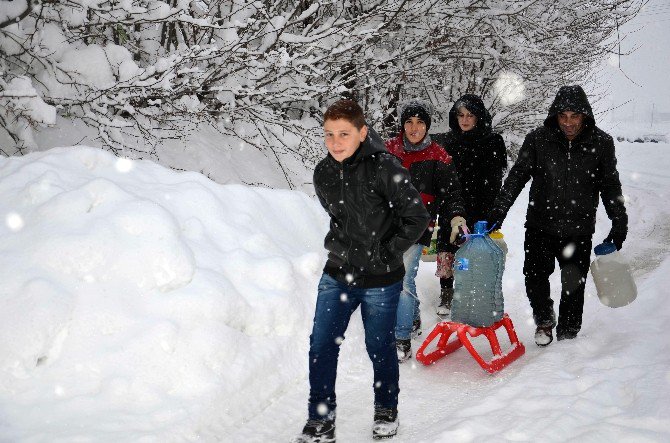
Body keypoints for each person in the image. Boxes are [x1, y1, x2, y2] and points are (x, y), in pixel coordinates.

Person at [293, 99, 430, 443]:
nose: (335, 142)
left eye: (344, 134)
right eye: (329, 135)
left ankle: (386, 409)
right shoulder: (323, 172)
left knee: (379, 346)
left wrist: (387, 253)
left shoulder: (385, 167)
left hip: (381, 279)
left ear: (362, 132)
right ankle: (321, 420)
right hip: (339, 271)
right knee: (321, 345)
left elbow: (417, 219)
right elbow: (337, 216)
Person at [487, 85, 628, 346]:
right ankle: (544, 319)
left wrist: (619, 223)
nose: (568, 123)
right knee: (535, 276)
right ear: (555, 116)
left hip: (579, 228)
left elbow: (610, 185)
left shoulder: (601, 143)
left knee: (573, 285)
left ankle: (569, 336)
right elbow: (517, 177)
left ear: (584, 116)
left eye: (574, 116)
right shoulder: (538, 139)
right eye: (563, 116)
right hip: (541, 224)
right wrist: (498, 213)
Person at [385, 99, 467, 362]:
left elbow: (452, 192)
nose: (414, 127)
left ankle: (401, 339)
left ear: (428, 126)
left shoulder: (438, 156)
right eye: (409, 122)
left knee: (403, 282)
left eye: (420, 122)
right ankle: (412, 318)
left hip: (417, 226)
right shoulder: (387, 150)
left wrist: (455, 217)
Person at [432, 94, 507, 318]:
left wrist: (492, 213)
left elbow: (495, 181)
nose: (464, 120)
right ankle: (447, 292)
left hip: (480, 205)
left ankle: (472, 293)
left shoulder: (492, 141)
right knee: (448, 245)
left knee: (473, 252)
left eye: (470, 115)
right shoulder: (447, 141)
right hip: (451, 203)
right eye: (460, 115)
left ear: (479, 117)